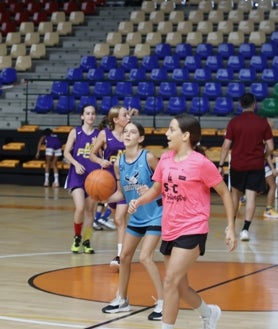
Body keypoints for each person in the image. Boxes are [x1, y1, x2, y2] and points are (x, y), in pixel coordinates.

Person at [128, 113, 237, 329]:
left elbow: (225, 193)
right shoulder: (166, 159)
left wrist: (231, 228)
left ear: (186, 135)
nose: (166, 133)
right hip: (170, 228)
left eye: (171, 129)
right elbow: (157, 189)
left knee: (169, 281)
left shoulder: (201, 164)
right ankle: (209, 313)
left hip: (193, 228)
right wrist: (139, 201)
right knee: (180, 287)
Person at [101, 121, 164, 321]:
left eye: (133, 132)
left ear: (141, 138)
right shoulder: (118, 162)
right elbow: (120, 192)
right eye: (125, 131)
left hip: (156, 214)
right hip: (137, 217)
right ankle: (122, 299)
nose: (127, 134)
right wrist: (103, 197)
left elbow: (165, 182)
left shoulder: (149, 158)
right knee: (125, 257)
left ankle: (164, 301)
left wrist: (151, 191)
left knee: (145, 257)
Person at [218, 93, 274, 241]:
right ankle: (245, 230)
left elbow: (225, 146)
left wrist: (221, 164)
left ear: (241, 105)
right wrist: (264, 156)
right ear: (254, 105)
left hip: (238, 164)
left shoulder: (234, 122)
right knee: (251, 198)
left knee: (235, 196)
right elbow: (271, 146)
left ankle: (231, 226)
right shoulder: (263, 123)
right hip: (256, 165)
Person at [90, 105, 131, 269]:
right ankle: (124, 252)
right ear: (115, 119)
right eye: (125, 115)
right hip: (109, 181)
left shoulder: (130, 134)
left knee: (120, 219)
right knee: (117, 219)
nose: (128, 117)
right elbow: (92, 154)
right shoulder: (104, 134)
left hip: (126, 181)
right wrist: (101, 161)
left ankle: (120, 256)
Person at [64, 104, 101, 254]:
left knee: (89, 211)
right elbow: (66, 152)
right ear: (82, 116)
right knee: (80, 207)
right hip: (77, 175)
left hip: (93, 177)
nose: (90, 116)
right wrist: (76, 163)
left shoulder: (99, 134)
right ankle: (77, 237)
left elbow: (103, 155)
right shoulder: (75, 132)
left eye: (93, 113)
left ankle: (87, 241)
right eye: (87, 113)